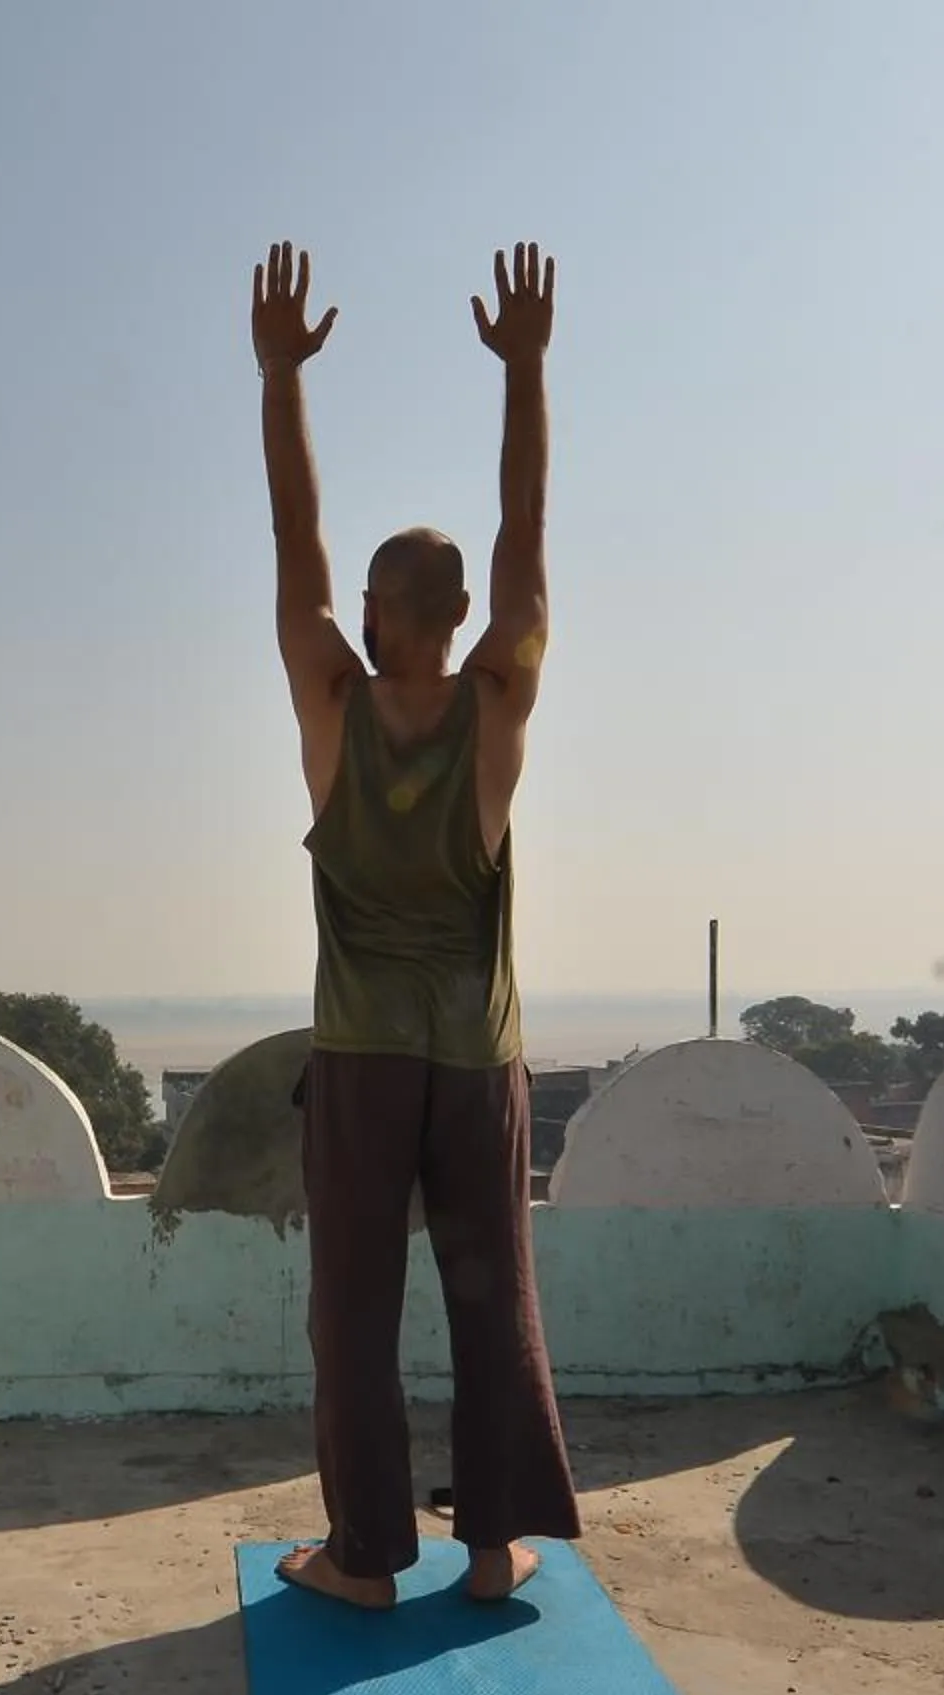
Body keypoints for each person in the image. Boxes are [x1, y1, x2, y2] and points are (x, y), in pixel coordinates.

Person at [251, 239, 582, 1608]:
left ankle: (365, 1557)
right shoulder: (500, 709)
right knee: (492, 1295)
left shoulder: (333, 709)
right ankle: (494, 1547)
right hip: (474, 1055)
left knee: (356, 1314)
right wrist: (526, 375)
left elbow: (295, 547)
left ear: (381, 618)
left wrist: (281, 384)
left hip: (367, 1054)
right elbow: (527, 543)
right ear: (467, 622)